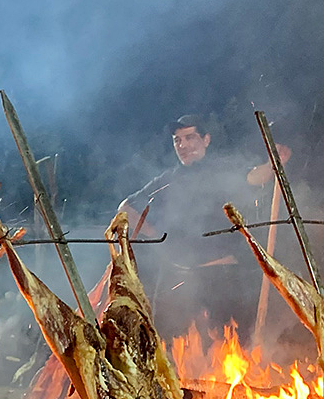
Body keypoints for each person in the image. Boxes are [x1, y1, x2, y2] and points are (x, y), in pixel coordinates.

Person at [117, 115, 290, 342]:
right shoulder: (167, 180)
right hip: (181, 280)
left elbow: (253, 177)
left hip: (223, 278)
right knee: (175, 349)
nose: (183, 145)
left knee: (230, 350)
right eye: (177, 140)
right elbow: (125, 208)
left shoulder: (221, 170)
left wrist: (272, 164)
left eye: (190, 137)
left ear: (206, 139)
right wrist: (159, 237)